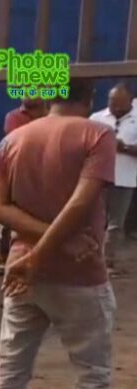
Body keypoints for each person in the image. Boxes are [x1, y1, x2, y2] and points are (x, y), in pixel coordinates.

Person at [0, 78, 120, 389]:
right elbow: (81, 203)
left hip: (21, 271)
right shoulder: (97, 134)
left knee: (12, 366)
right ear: (89, 98)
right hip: (76, 273)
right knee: (92, 372)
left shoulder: (13, 139)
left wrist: (32, 254)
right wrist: (48, 251)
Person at [0, 98, 49, 275]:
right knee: (11, 217)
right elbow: (18, 141)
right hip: (19, 173)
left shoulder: (50, 115)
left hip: (47, 173)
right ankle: (8, 259)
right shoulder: (14, 117)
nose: (27, 93)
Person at [89, 83, 137, 269]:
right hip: (98, 177)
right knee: (94, 220)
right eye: (111, 102)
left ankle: (106, 263)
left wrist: (123, 147)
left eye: (119, 104)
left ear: (130, 101)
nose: (114, 107)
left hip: (125, 179)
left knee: (116, 224)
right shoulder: (97, 118)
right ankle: (90, 258)